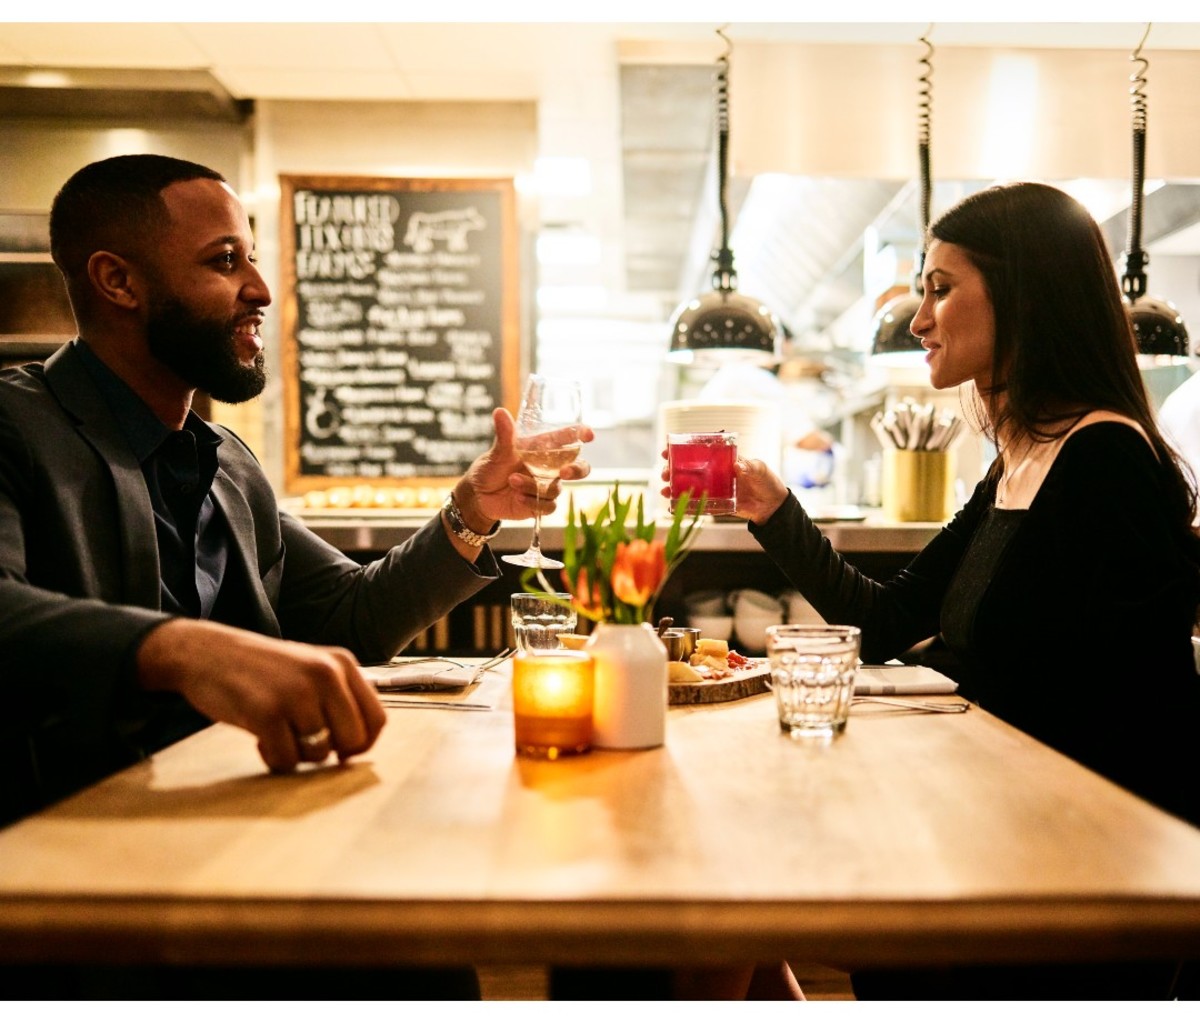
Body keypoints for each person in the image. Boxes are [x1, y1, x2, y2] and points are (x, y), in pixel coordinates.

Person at [0, 153, 594, 829]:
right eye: (226, 261)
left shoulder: (228, 463)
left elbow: (351, 617)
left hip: (232, 826)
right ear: (117, 281)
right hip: (56, 859)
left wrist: (474, 511)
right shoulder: (16, 426)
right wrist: (179, 650)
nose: (261, 289)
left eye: (251, 258)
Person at [720, 181, 1200, 999]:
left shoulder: (1106, 462)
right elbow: (889, 618)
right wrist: (773, 511)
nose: (918, 319)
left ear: (1024, 296)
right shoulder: (1023, 461)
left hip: (1089, 869)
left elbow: (1063, 696)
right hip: (1010, 818)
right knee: (745, 896)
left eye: (942, 289)